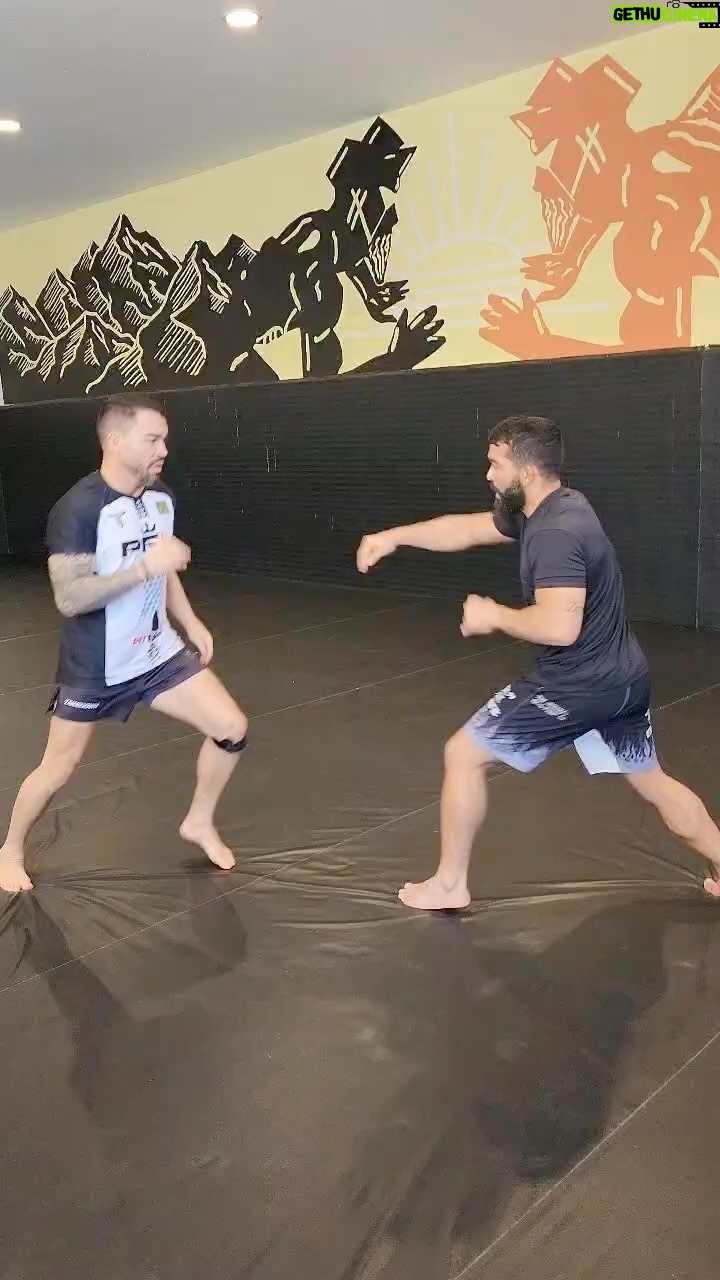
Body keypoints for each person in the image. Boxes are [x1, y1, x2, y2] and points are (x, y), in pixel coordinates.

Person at [356, 414, 720, 911]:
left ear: (525, 471)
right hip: (622, 679)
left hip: (579, 685)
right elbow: (468, 528)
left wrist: (493, 615)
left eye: (496, 464)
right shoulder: (553, 504)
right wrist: (393, 536)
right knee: (651, 780)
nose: (488, 474)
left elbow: (559, 627)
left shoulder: (556, 532)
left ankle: (449, 884)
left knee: (463, 754)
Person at [0, 393, 248, 895]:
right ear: (115, 442)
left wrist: (190, 621)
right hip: (96, 665)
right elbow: (71, 598)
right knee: (58, 768)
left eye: (164, 439)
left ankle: (199, 820)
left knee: (231, 728)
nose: (163, 449)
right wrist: (144, 568)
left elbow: (164, 569)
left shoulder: (160, 498)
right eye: (152, 439)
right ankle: (10, 850)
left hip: (156, 653)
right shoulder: (78, 509)